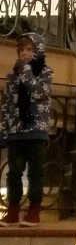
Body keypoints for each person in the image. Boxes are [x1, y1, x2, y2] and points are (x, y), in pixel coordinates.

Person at [0, 33, 52, 227]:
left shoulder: (45, 72)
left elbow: (39, 93)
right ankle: (13, 210)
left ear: (37, 50)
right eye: (21, 50)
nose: (24, 53)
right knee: (14, 172)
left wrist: (26, 72)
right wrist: (4, 129)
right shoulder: (13, 74)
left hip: (36, 129)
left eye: (29, 49)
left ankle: (34, 210)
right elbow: (7, 103)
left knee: (35, 172)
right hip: (16, 130)